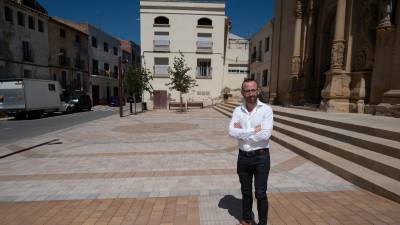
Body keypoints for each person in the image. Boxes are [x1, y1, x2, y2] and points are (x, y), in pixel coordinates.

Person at [228, 78, 273, 225]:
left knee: (260, 193)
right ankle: (247, 219)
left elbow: (265, 135)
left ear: (258, 90)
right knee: (246, 192)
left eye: (253, 90)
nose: (250, 93)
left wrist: (242, 134)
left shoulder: (266, 110)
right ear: (243, 93)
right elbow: (231, 132)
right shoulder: (237, 111)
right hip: (243, 157)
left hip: (261, 157)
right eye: (247, 91)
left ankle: (262, 223)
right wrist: (253, 130)